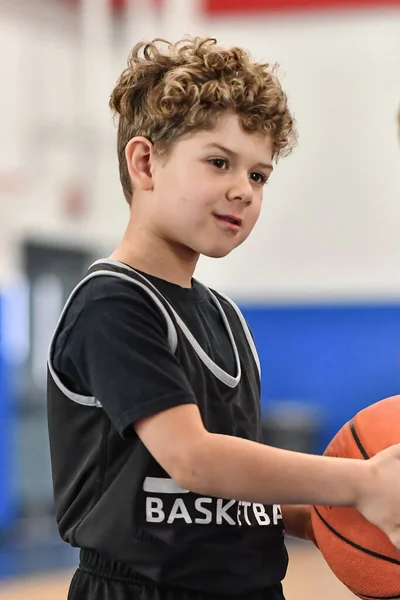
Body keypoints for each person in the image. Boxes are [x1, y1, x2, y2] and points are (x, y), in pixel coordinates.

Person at [47, 37, 400, 600]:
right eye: (219, 162)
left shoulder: (227, 319)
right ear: (145, 163)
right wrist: (363, 481)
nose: (243, 190)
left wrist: (331, 520)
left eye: (259, 176)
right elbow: (193, 459)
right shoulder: (112, 304)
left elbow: (229, 491)